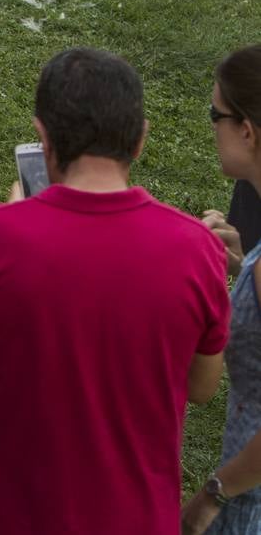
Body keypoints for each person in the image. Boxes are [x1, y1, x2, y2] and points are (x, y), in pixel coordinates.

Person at [0, 47, 231, 535]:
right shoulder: (197, 249)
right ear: (140, 141)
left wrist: (1, 224)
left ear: (42, 137)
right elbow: (202, 387)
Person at [183, 44, 261, 534]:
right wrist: (242, 267)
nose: (212, 125)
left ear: (247, 130)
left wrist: (214, 493)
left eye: (217, 114)